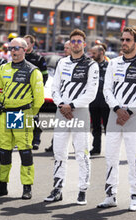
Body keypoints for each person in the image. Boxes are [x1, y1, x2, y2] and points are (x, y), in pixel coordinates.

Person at [97, 26, 136, 211]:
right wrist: (116, 109)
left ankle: (134, 196)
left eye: (128, 40)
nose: (124, 43)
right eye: (122, 40)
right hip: (114, 117)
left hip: (134, 119)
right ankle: (110, 195)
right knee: (111, 157)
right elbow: (107, 90)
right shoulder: (113, 63)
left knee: (134, 158)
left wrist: (127, 112)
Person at [44, 29, 99, 205]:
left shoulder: (91, 65)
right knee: (59, 151)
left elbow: (91, 93)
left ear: (84, 44)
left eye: (79, 41)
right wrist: (62, 105)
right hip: (62, 112)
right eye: (73, 41)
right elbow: (55, 87)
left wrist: (72, 106)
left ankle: (82, 190)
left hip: (80, 112)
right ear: (69, 44)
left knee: (82, 153)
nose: (75, 44)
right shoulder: (62, 62)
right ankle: (58, 188)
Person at [0, 37, 44, 199]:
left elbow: (38, 99)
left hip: (22, 114)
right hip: (5, 113)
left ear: (25, 50)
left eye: (17, 48)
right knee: (4, 151)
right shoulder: (3, 68)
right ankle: (2, 185)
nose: (14, 51)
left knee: (25, 151)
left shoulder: (33, 70)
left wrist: (29, 115)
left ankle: (27, 187)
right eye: (11, 48)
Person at [45, 40, 71, 153]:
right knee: (59, 124)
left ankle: (79, 148)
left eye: (67, 48)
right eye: (64, 48)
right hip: (62, 98)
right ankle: (54, 145)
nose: (65, 50)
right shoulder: (60, 61)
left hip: (75, 100)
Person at [24, 35, 48, 150]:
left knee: (34, 118)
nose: (24, 46)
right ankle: (20, 140)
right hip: (19, 94)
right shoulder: (18, 57)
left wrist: (37, 89)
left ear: (32, 45)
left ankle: (36, 140)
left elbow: (45, 76)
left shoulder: (38, 58)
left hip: (33, 94)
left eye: (27, 43)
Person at [89, 44, 109, 155]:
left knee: (107, 127)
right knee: (95, 126)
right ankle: (96, 148)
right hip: (94, 100)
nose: (92, 55)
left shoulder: (109, 66)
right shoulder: (91, 66)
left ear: (101, 53)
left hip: (105, 101)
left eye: (94, 53)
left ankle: (111, 149)